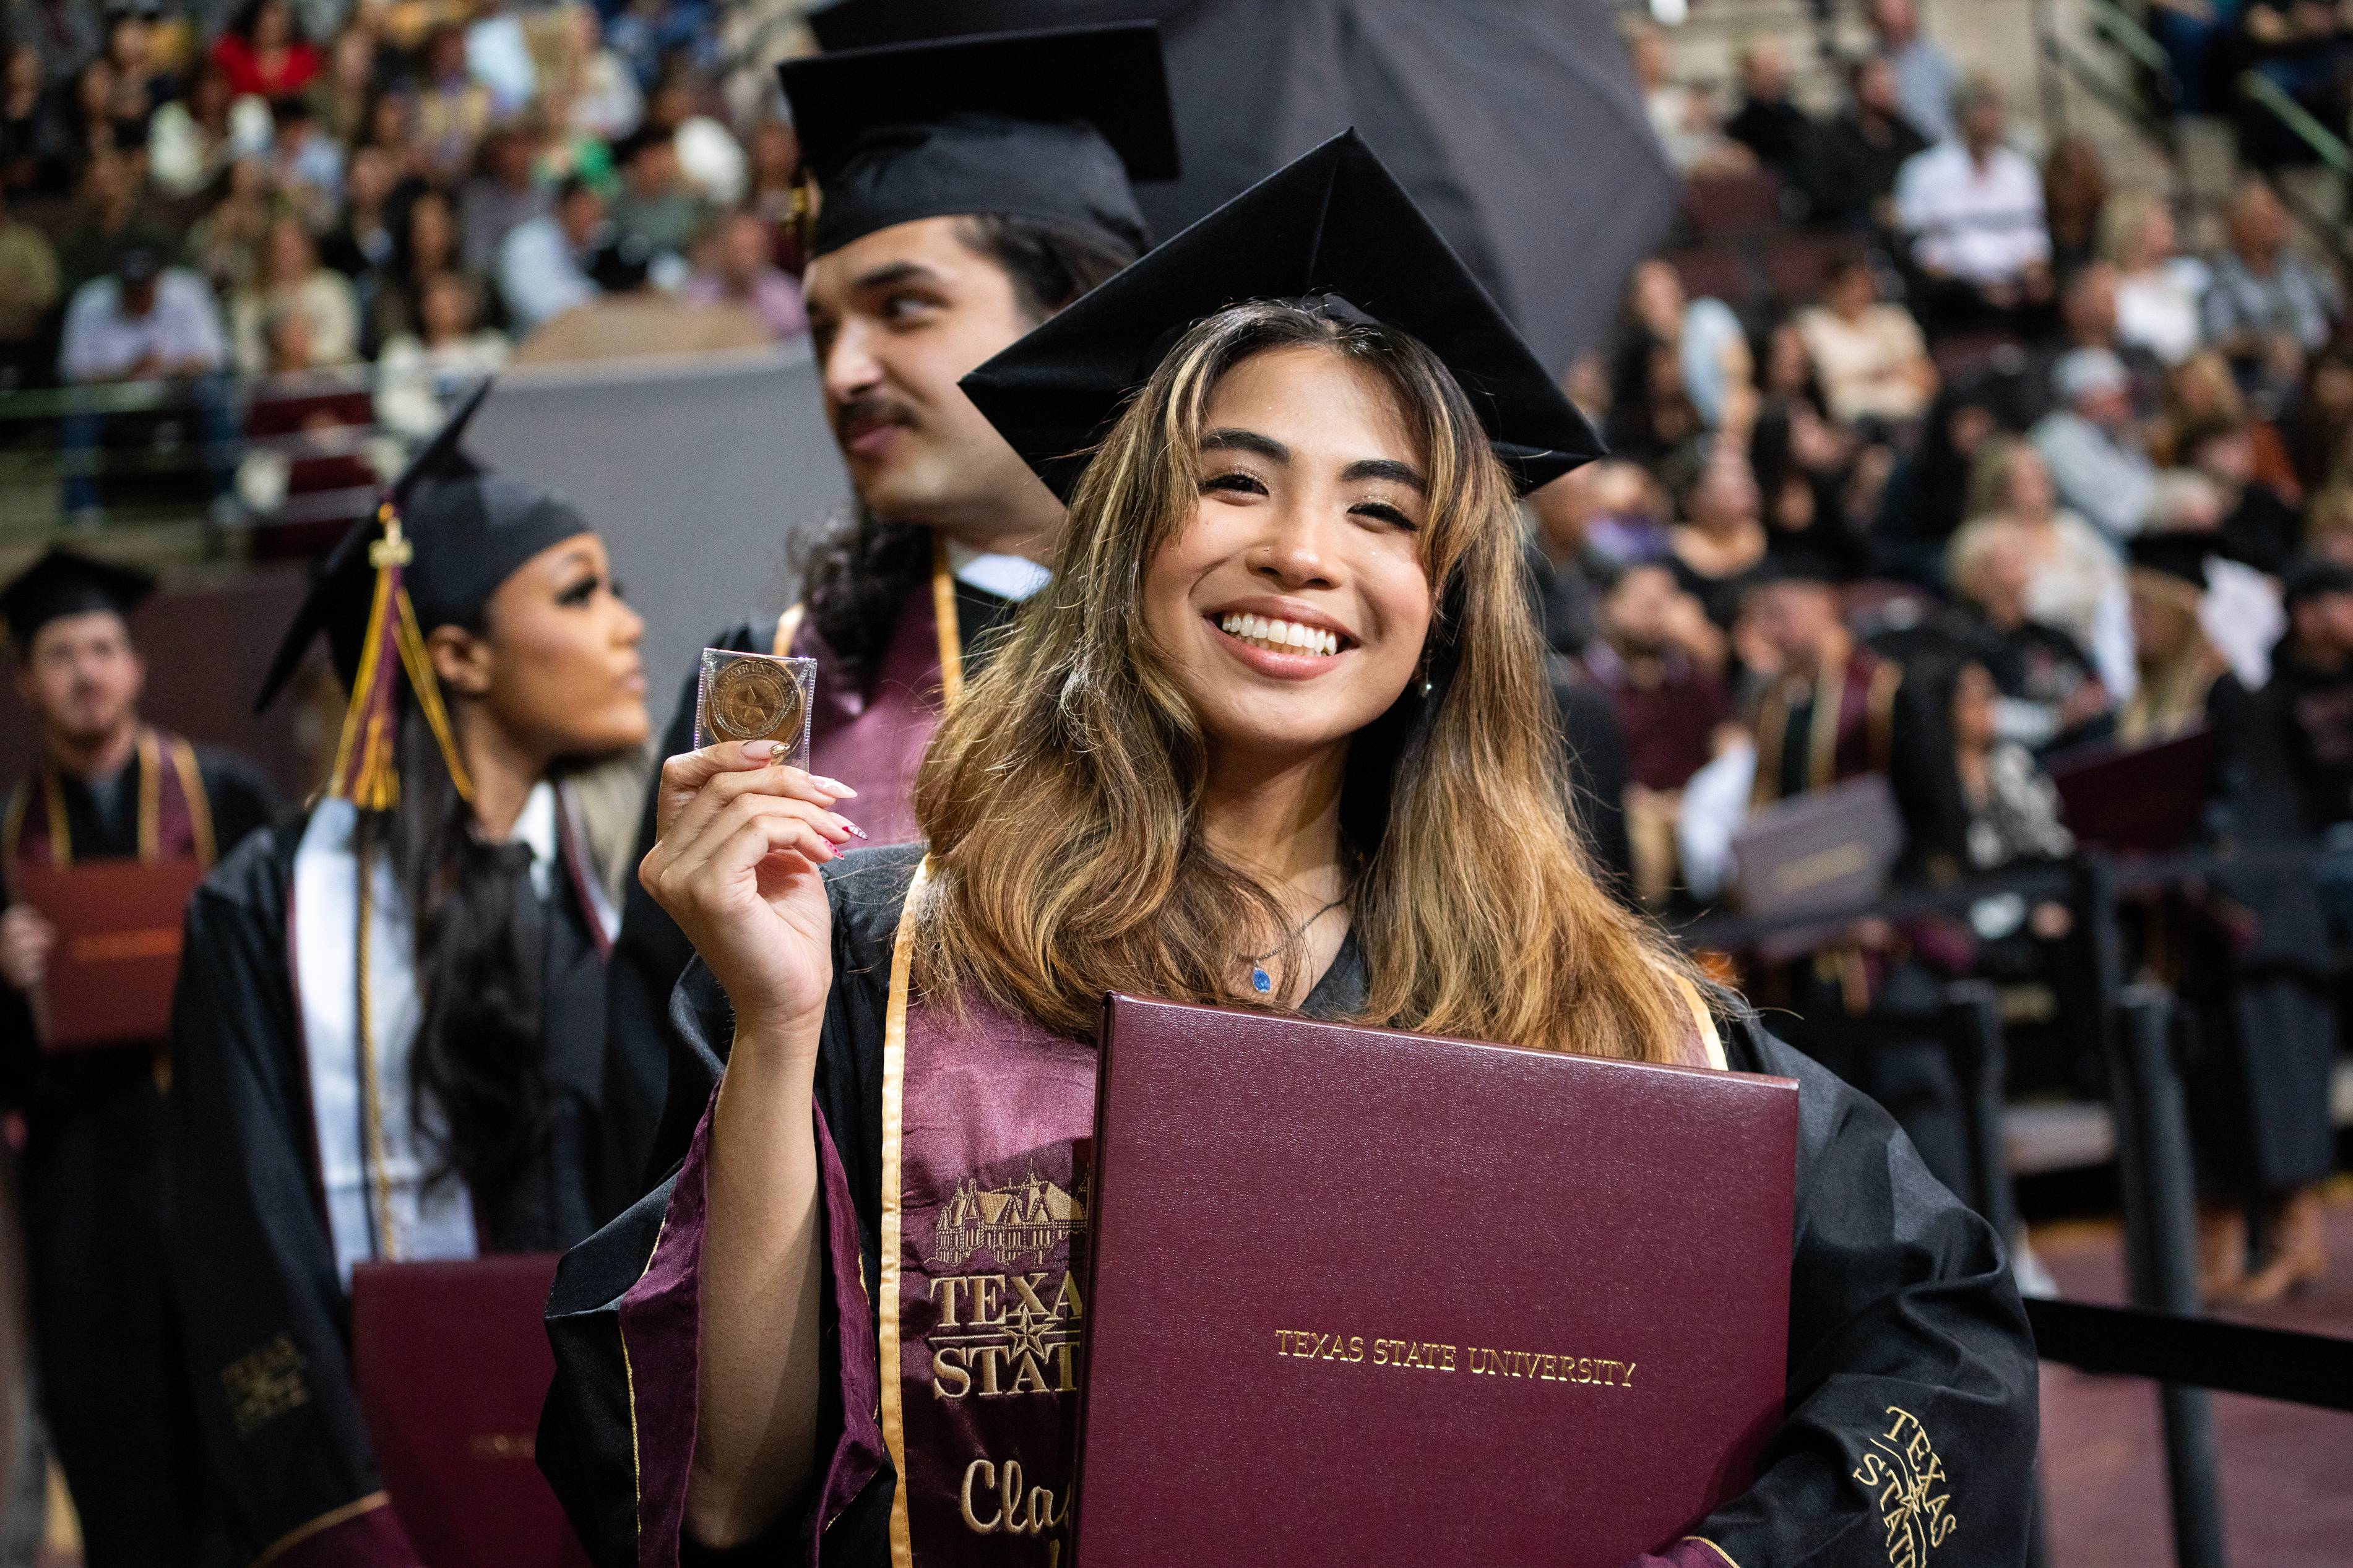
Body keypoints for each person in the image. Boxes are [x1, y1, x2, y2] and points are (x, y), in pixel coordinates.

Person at [537, 129, 2038, 1568]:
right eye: (1235, 482)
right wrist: (780, 1028)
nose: (1301, 553)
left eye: (1382, 513)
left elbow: (1947, 1350)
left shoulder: (1610, 1012)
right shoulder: (889, 958)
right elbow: (723, 1507)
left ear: (1444, 605)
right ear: (1125, 549)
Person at [596, 27, 1178, 1204]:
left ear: (1076, 308)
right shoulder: (768, 687)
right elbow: (647, 1140)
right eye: (820, 328)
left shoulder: (1240, 648)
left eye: (901, 308)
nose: (844, 370)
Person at [168, 383, 656, 1565]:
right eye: (582, 590)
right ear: (456, 655)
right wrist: (338, 1518)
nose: (629, 626)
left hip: (615, 1500)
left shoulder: (616, 896)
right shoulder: (264, 910)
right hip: (386, 1512)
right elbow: (247, 1242)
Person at [0, 550, 280, 1567]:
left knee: (237, 1397)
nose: (87, 671)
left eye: (105, 647)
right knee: (112, 1424)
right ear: (27, 680)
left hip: (213, 1151)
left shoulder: (229, 797)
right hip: (81, 1181)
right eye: (61, 652)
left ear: (136, 665)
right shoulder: (7, 844)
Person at [56, 247, 233, 526]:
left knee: (214, 391)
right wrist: (127, 373)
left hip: (177, 395)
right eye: (131, 287)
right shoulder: (90, 301)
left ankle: (227, 495)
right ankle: (81, 505)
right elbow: (74, 372)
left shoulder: (187, 292)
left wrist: (166, 368)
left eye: (145, 286)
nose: (139, 295)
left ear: (159, 280)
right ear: (118, 284)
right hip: (117, 400)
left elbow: (214, 359)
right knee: (78, 403)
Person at [1947, 436, 2134, 697]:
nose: (2041, 483)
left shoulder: (2073, 528)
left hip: (2099, 643)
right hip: (2030, 650)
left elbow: (2119, 584)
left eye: (2042, 473)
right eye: (2026, 478)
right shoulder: (1986, 539)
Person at [1893, 75, 2052, 335]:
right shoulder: (1924, 172)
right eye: (1986, 107)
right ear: (1963, 114)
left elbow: (2034, 242)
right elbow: (1921, 251)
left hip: (2015, 289)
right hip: (1955, 293)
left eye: (1998, 108)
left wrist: (2030, 278)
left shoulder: (2021, 171)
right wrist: (1977, 288)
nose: (1995, 117)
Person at [2201, 179, 2344, 414]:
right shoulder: (2223, 278)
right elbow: (2219, 338)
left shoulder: (2302, 268)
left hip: (2322, 369)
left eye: (2277, 212)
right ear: (2239, 227)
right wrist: (2265, 345)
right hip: (2261, 381)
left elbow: (2338, 312)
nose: (2277, 220)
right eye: (2264, 214)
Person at [2031, 348, 2159, 543]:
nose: (2125, 403)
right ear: (2088, 398)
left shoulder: (2110, 431)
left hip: (2126, 541)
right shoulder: (2056, 440)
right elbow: (2116, 515)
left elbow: (2148, 482)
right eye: (2116, 395)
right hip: (2087, 547)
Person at [1797, 255, 1936, 427]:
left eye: (1865, 285)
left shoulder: (1893, 319)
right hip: (1847, 422)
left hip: (1909, 418)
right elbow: (1818, 386)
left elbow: (1926, 379)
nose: (1859, 292)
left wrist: (1857, 377)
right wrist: (1881, 373)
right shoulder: (1811, 324)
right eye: (1850, 286)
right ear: (1830, 288)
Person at [1807, 54, 1930, 233]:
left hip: (1906, 225)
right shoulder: (1834, 138)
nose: (1886, 93)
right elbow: (1824, 194)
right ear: (1857, 89)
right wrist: (1873, 205)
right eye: (1877, 87)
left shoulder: (1909, 136)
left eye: (1891, 86)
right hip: (1855, 230)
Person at [229, 212, 360, 377]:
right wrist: (279, 354)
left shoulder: (331, 287)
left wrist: (299, 350)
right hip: (271, 387)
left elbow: (342, 343)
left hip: (329, 380)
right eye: (280, 248)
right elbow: (246, 358)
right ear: (267, 253)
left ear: (309, 248)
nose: (289, 255)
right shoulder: (250, 301)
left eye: (295, 247)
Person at [2102, 190, 2211, 366]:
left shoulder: (2190, 274)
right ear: (2131, 229)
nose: (2171, 227)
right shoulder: (2110, 288)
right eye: (2160, 223)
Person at [498, 173, 606, 332]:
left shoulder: (595, 244)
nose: (594, 214)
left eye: (598, 208)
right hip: (531, 341)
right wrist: (603, 304)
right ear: (565, 206)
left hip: (584, 336)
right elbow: (541, 306)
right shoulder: (528, 242)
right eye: (586, 206)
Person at [683, 209, 806, 342]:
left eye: (752, 249)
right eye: (738, 250)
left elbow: (799, 344)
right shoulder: (700, 294)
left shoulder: (786, 295)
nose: (745, 260)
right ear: (721, 250)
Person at [1722, 38, 1813, 187]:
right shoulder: (1741, 122)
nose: (1773, 72)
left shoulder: (1795, 117)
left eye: (1775, 65)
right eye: (1766, 66)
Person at [1870, 0, 1958, 143]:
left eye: (1901, 16)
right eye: (1888, 20)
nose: (1896, 23)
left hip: (1936, 147)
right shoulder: (1869, 63)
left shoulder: (1937, 61)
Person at [210, 0, 320, 101]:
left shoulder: (304, 58)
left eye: (281, 18)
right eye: (269, 16)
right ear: (254, 19)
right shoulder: (231, 52)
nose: (274, 25)